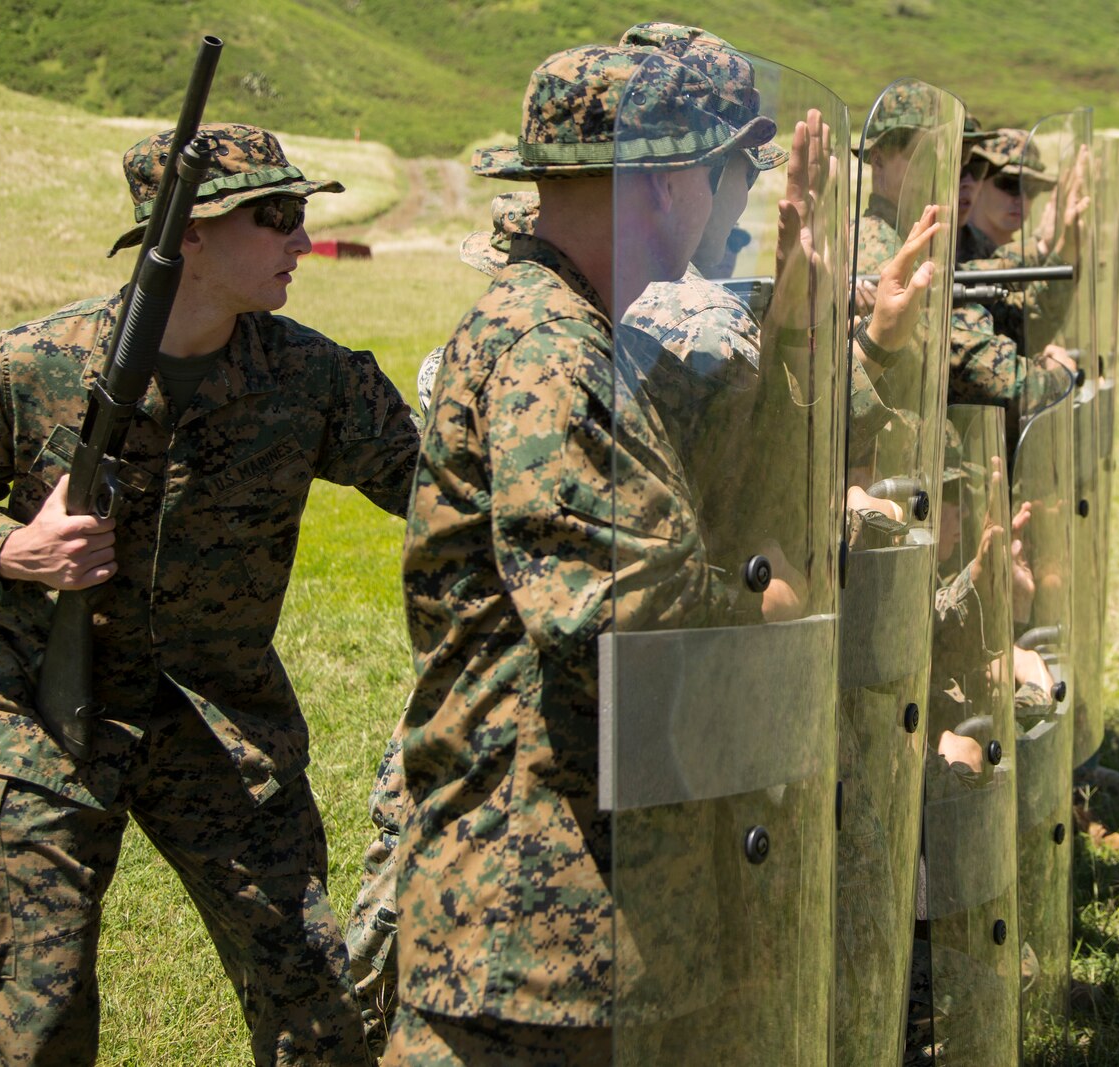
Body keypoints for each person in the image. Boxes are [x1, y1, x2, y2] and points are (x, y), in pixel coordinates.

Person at [0, 123, 421, 1065]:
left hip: (218, 725)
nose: (303, 240)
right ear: (191, 237)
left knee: (313, 1002)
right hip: (46, 726)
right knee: (37, 1023)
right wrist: (16, 546)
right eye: (278, 216)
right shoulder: (29, 366)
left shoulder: (310, 377)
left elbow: (436, 484)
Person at [382, 44, 786, 1063]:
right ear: (661, 179)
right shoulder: (553, 353)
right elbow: (620, 632)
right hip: (535, 915)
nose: (721, 197)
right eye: (712, 168)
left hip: (553, 900)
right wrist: (775, 623)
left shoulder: (562, 328)